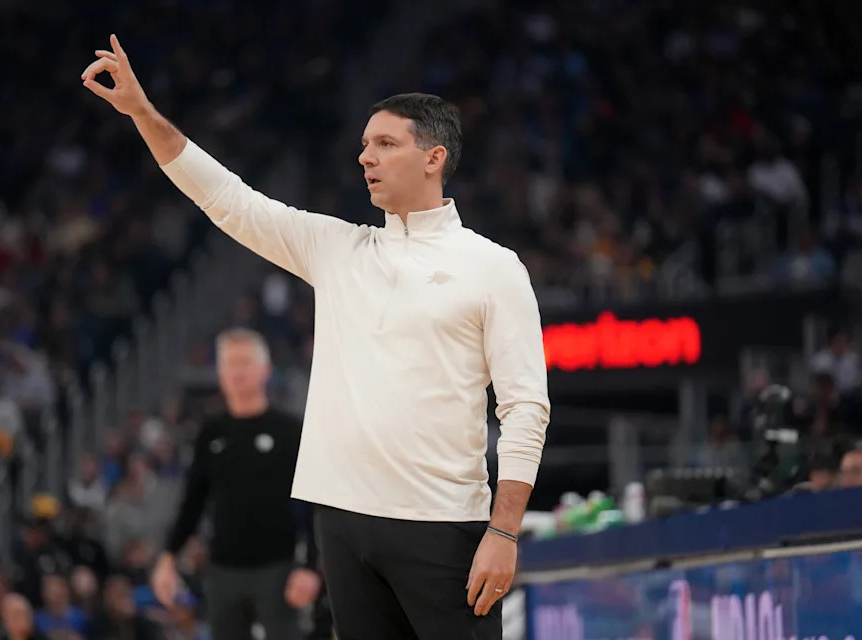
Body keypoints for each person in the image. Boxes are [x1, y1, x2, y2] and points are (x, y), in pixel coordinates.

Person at [82, 34, 550, 640]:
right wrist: (144, 116)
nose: (366, 158)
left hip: (442, 523)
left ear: (434, 157)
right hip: (343, 522)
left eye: (385, 144)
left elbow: (525, 406)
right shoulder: (338, 249)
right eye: (363, 146)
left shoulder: (493, 266)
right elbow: (227, 200)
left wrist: (505, 530)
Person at [150, 329, 322, 639]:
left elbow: (314, 506)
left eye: (244, 362)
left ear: (265, 370)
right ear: (219, 371)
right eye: (229, 363)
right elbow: (193, 500)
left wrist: (311, 566)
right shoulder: (211, 432)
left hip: (280, 568)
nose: (237, 371)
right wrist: (168, 556)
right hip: (223, 570)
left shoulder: (289, 431)